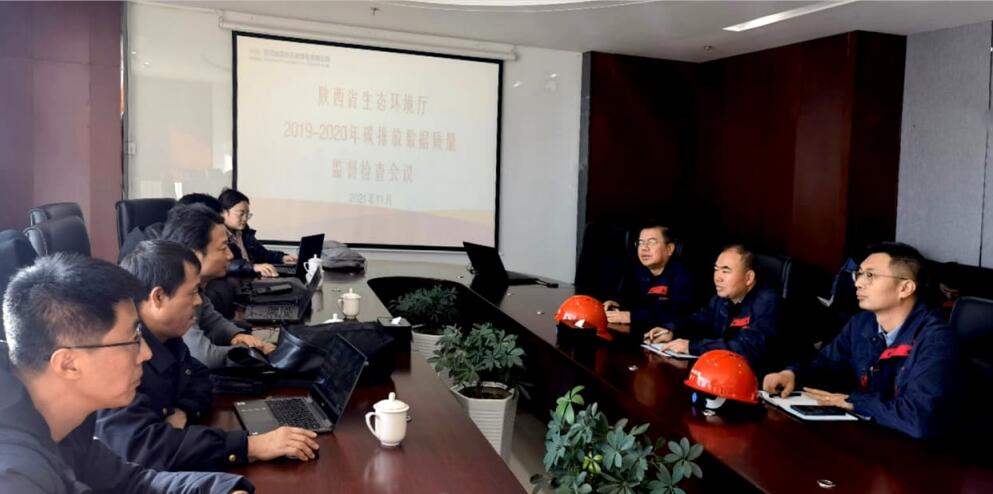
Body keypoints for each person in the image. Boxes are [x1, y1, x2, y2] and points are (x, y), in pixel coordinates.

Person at [0, 253, 253, 493]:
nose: (146, 354)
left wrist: (219, 489)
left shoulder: (67, 420)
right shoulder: (14, 476)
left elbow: (132, 483)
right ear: (69, 364)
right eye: (132, 340)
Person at [96, 240, 318, 471]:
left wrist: (183, 410)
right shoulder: (120, 360)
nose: (199, 301)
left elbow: (202, 378)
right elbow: (145, 448)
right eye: (192, 292)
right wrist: (250, 446)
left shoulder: (167, 339)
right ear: (158, 297)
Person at [762, 242, 961, 439]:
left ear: (905, 288)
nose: (858, 283)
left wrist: (855, 401)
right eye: (859, 274)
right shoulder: (861, 323)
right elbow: (827, 365)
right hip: (875, 434)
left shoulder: (937, 340)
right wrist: (792, 374)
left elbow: (918, 419)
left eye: (870, 275)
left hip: (925, 451)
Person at [161, 204, 274, 368]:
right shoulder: (174, 292)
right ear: (194, 254)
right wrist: (251, 352)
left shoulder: (195, 284)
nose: (230, 255)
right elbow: (204, 357)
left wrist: (237, 335)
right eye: (223, 247)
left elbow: (212, 320)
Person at [645, 244, 782, 373]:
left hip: (756, 379)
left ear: (749, 278)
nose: (718, 278)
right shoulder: (720, 300)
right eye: (716, 270)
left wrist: (692, 347)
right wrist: (671, 331)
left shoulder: (767, 302)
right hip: (723, 372)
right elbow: (698, 321)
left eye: (725, 271)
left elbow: (749, 348)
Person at [602, 223, 693, 336]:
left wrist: (632, 317)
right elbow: (628, 297)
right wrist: (616, 304)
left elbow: (676, 314)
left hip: (668, 337)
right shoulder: (637, 270)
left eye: (651, 242)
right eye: (640, 242)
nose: (644, 248)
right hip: (638, 334)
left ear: (669, 249)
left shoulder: (683, 276)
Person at [218, 189, 296, 278]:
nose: (245, 219)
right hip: (232, 282)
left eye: (247, 214)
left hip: (248, 279)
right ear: (223, 212)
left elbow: (262, 254)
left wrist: (281, 258)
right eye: (241, 214)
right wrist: (252, 267)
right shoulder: (216, 236)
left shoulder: (244, 232)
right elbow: (223, 265)